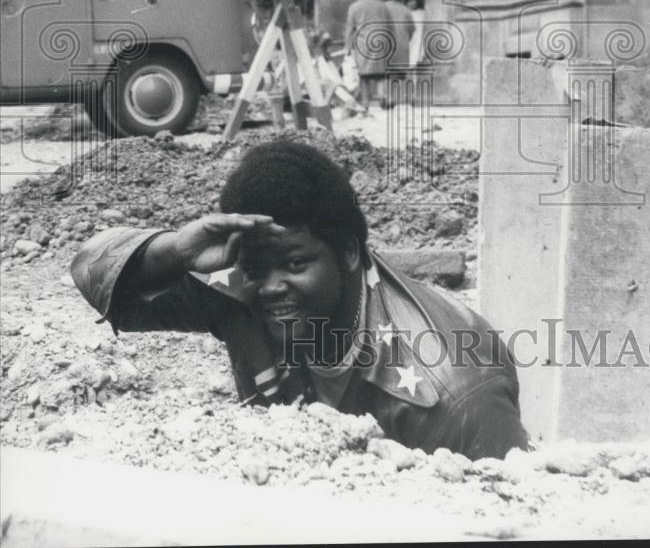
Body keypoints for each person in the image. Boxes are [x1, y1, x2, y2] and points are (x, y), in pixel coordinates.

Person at [71, 139, 530, 461]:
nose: (270, 287)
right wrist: (176, 250)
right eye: (255, 268)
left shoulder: (455, 389)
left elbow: (505, 510)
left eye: (294, 264)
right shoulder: (244, 293)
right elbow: (95, 275)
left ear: (348, 252)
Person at [344, 0, 394, 112]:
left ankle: (365, 103)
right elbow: (390, 26)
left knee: (364, 74)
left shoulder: (354, 7)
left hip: (363, 42)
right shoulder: (383, 6)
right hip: (381, 40)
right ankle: (384, 97)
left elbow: (350, 28)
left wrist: (348, 47)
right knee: (381, 72)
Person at [382, 0, 414, 71]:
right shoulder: (406, 10)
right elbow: (411, 30)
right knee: (399, 78)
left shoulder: (381, 8)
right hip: (402, 50)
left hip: (384, 50)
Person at [406, 0, 425, 67]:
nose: (410, 4)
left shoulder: (421, 13)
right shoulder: (409, 13)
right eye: (408, 2)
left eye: (412, 1)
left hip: (418, 39)